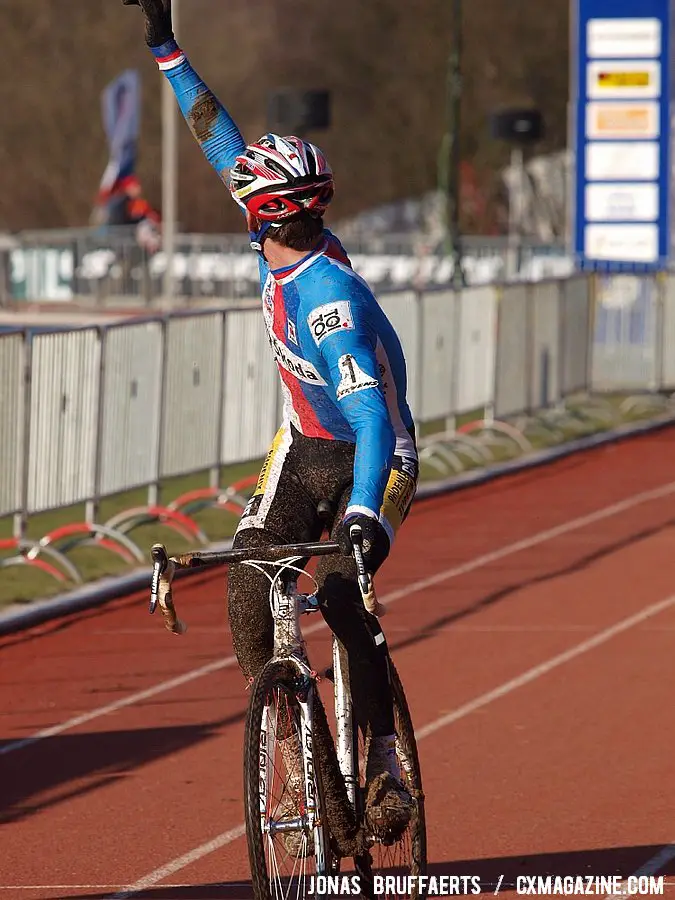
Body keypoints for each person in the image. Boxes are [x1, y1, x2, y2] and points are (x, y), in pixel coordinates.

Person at [124, 0, 419, 845]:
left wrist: (363, 518)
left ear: (267, 214)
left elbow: (368, 419)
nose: (236, 196)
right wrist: (166, 48)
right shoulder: (281, 235)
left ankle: (386, 760)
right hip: (302, 445)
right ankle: (301, 756)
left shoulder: (328, 304)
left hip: (376, 454)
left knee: (336, 588)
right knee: (251, 590)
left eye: (245, 197)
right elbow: (221, 139)